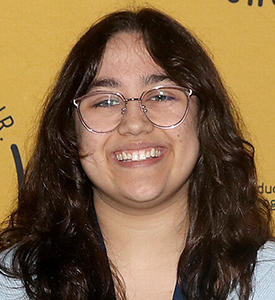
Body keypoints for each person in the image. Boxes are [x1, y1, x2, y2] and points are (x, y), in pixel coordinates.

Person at [0, 7, 274, 300]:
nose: (134, 123)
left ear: (205, 120)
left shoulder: (268, 279)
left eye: (161, 95)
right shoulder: (10, 284)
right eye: (105, 101)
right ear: (70, 133)